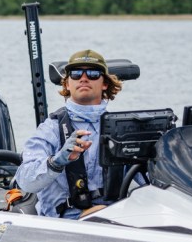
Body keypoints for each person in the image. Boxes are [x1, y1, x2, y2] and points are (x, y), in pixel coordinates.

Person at [13, 49, 125, 219]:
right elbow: (25, 181)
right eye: (76, 73)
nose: (84, 78)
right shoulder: (50, 128)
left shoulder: (121, 129)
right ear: (67, 84)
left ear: (105, 84)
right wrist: (57, 161)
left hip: (117, 215)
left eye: (93, 74)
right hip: (66, 221)